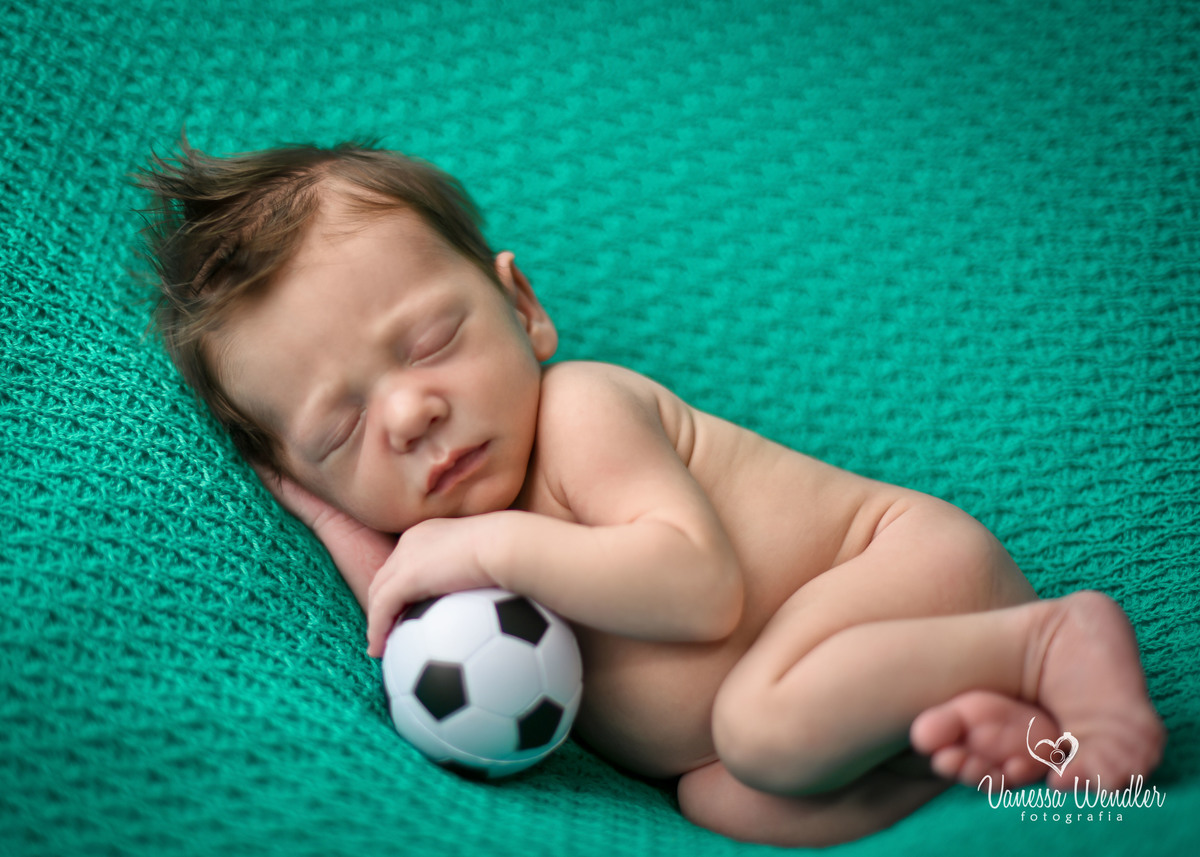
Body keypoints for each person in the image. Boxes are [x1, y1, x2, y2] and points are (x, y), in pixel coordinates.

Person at [137, 140, 1165, 846]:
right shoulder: (449, 544)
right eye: (342, 428)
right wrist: (323, 512)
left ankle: (1049, 640)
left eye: (431, 340)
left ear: (524, 307)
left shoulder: (581, 412)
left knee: (762, 728)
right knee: (727, 795)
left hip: (898, 567)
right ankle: (989, 750)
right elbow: (398, 601)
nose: (409, 414)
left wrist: (495, 547)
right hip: (853, 687)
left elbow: (696, 585)